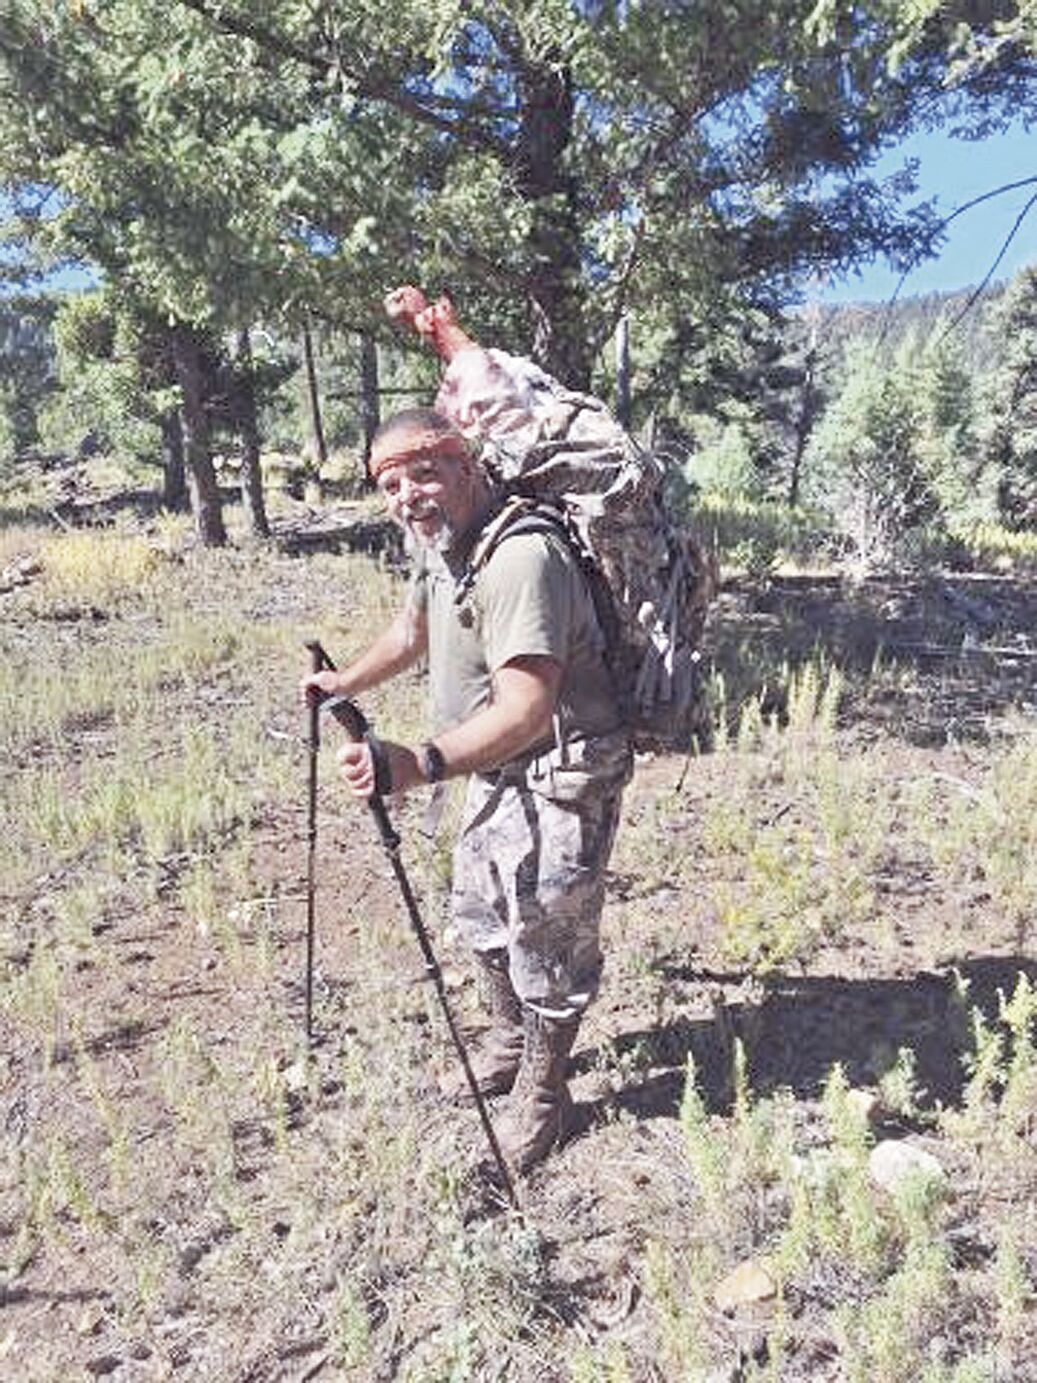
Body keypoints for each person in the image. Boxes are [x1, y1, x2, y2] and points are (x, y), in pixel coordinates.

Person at [301, 311, 632, 1175]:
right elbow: (411, 630)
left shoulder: (522, 556)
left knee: (546, 933)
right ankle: (508, 1040)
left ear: (463, 461)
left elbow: (527, 706)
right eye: (388, 484)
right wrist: (347, 685)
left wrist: (416, 763)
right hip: (489, 764)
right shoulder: (441, 545)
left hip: (560, 768)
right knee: (481, 916)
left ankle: (547, 1090)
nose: (405, 497)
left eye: (421, 474)